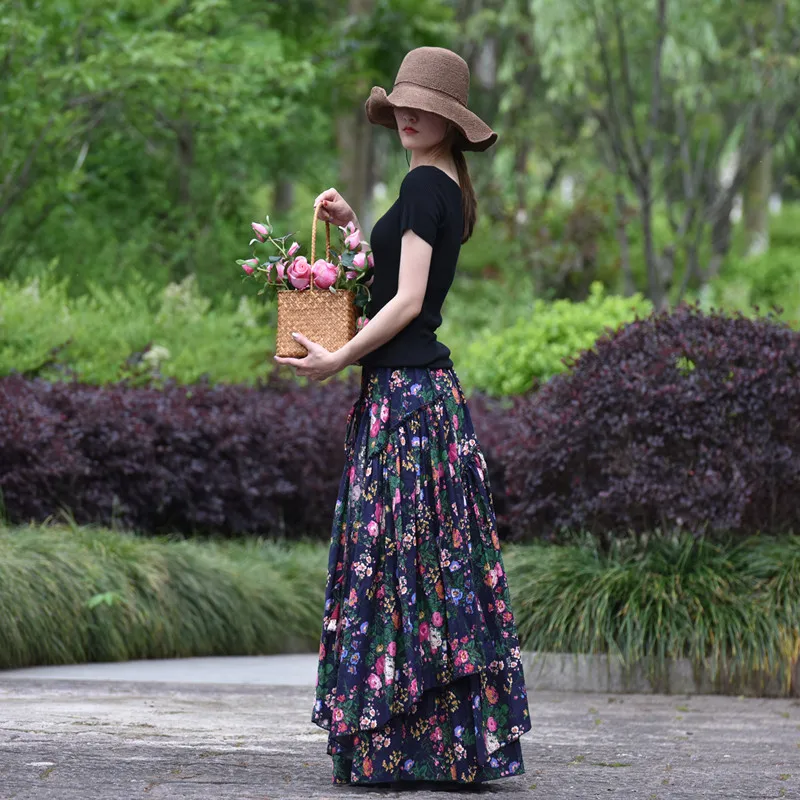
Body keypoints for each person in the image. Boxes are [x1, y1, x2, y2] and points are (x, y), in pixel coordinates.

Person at [274, 46, 531, 789]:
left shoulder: (425, 184)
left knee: (396, 566)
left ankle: (405, 747)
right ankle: (442, 746)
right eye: (402, 106)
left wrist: (335, 358)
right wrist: (356, 227)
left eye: (423, 106)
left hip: (406, 404)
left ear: (451, 119)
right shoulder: (442, 184)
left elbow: (410, 304)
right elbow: (398, 282)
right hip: (426, 402)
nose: (408, 116)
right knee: (422, 571)